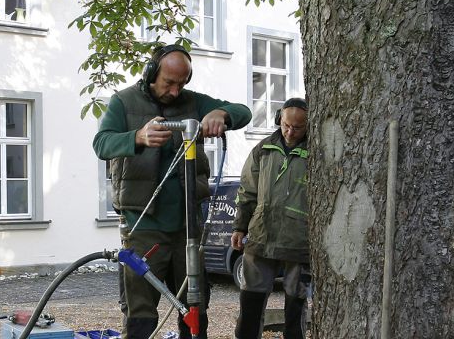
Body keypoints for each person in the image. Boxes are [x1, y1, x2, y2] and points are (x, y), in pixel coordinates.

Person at [93, 44, 252, 339]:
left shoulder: (193, 102)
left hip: (187, 227)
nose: (175, 91)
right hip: (143, 225)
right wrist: (137, 137)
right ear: (151, 73)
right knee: (140, 311)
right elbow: (101, 144)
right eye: (169, 83)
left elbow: (243, 112)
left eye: (182, 83)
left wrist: (221, 114)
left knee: (195, 305)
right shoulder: (123, 102)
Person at [231, 98, 310, 339]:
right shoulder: (263, 150)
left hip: (299, 242)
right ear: (279, 119)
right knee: (250, 306)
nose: (290, 132)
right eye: (286, 125)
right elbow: (247, 191)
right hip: (261, 236)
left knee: (295, 310)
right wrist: (240, 227)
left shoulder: (316, 153)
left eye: (298, 127)